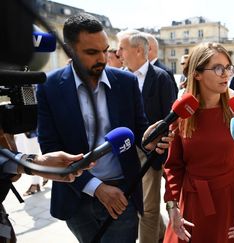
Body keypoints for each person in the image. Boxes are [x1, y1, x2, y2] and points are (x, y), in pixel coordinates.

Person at [36, 13, 168, 243]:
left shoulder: (125, 83)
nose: (102, 59)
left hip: (123, 196)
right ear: (70, 50)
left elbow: (139, 131)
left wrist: (150, 140)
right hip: (76, 198)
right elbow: (50, 148)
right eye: (91, 52)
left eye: (105, 50)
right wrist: (95, 187)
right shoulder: (49, 88)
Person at [163, 42, 234, 243]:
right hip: (192, 205)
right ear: (196, 73)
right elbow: (173, 166)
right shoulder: (181, 112)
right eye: (217, 68)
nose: (225, 74)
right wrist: (173, 207)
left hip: (233, 204)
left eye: (228, 68)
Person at [117, 30, 177, 243]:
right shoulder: (119, 78)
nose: (117, 53)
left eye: (122, 48)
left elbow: (170, 119)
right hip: (125, 153)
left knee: (148, 209)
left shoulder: (160, 77)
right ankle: (160, 236)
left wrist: (159, 152)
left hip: (150, 154)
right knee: (136, 205)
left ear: (139, 50)